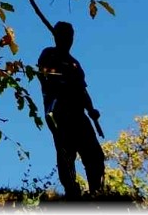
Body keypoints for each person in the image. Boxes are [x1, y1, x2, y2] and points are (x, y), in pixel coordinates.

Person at [37, 21, 105, 199]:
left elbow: (83, 90)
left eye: (70, 35)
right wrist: (65, 79)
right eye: (64, 35)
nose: (68, 39)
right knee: (66, 153)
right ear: (56, 36)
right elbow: (45, 75)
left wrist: (91, 109)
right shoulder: (49, 54)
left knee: (94, 154)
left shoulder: (75, 63)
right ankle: (71, 191)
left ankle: (96, 192)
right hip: (59, 111)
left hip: (78, 113)